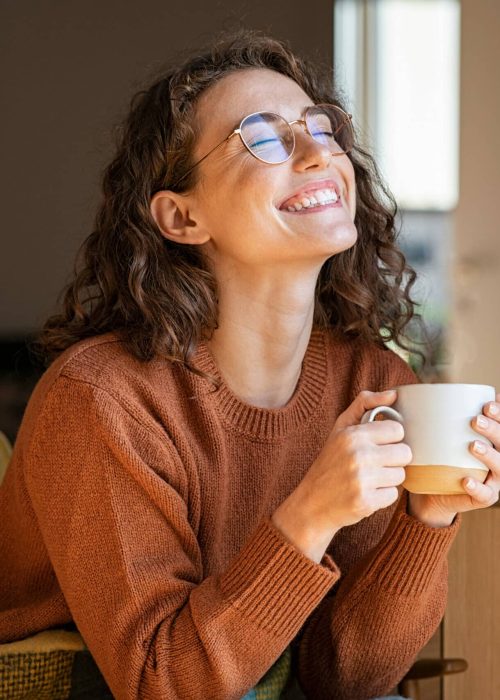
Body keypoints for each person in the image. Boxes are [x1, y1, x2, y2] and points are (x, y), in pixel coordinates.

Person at [1, 29, 499, 700]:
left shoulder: (374, 383)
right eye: (264, 138)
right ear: (181, 217)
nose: (319, 151)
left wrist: (427, 519)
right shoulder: (103, 399)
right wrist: (309, 515)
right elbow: (160, 684)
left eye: (321, 128)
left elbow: (347, 682)